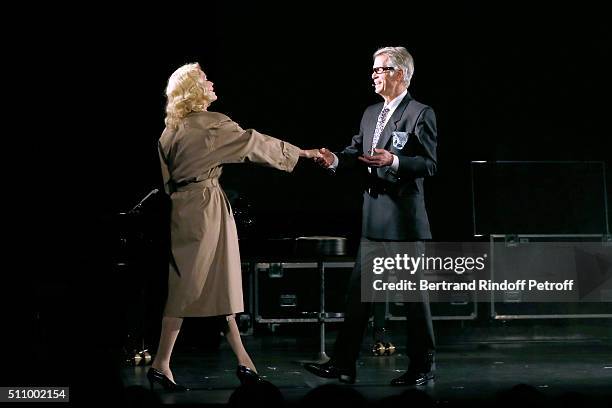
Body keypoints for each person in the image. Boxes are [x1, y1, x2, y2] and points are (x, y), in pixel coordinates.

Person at [148, 62, 321, 391]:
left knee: (219, 282)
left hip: (182, 208)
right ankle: (161, 362)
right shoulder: (212, 125)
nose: (211, 82)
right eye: (204, 79)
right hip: (206, 207)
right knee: (188, 288)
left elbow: (167, 181)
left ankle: (244, 361)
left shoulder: (169, 131)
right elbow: (254, 144)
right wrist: (302, 154)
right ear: (193, 90)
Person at [304, 46, 437, 386]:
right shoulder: (369, 113)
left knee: (412, 300)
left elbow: (429, 164)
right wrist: (333, 159)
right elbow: (356, 151)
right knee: (359, 297)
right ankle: (343, 363)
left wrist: (393, 161)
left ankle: (423, 366)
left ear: (401, 74)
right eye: (374, 69)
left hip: (404, 222)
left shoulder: (420, 113)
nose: (374, 75)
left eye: (381, 69)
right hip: (373, 221)